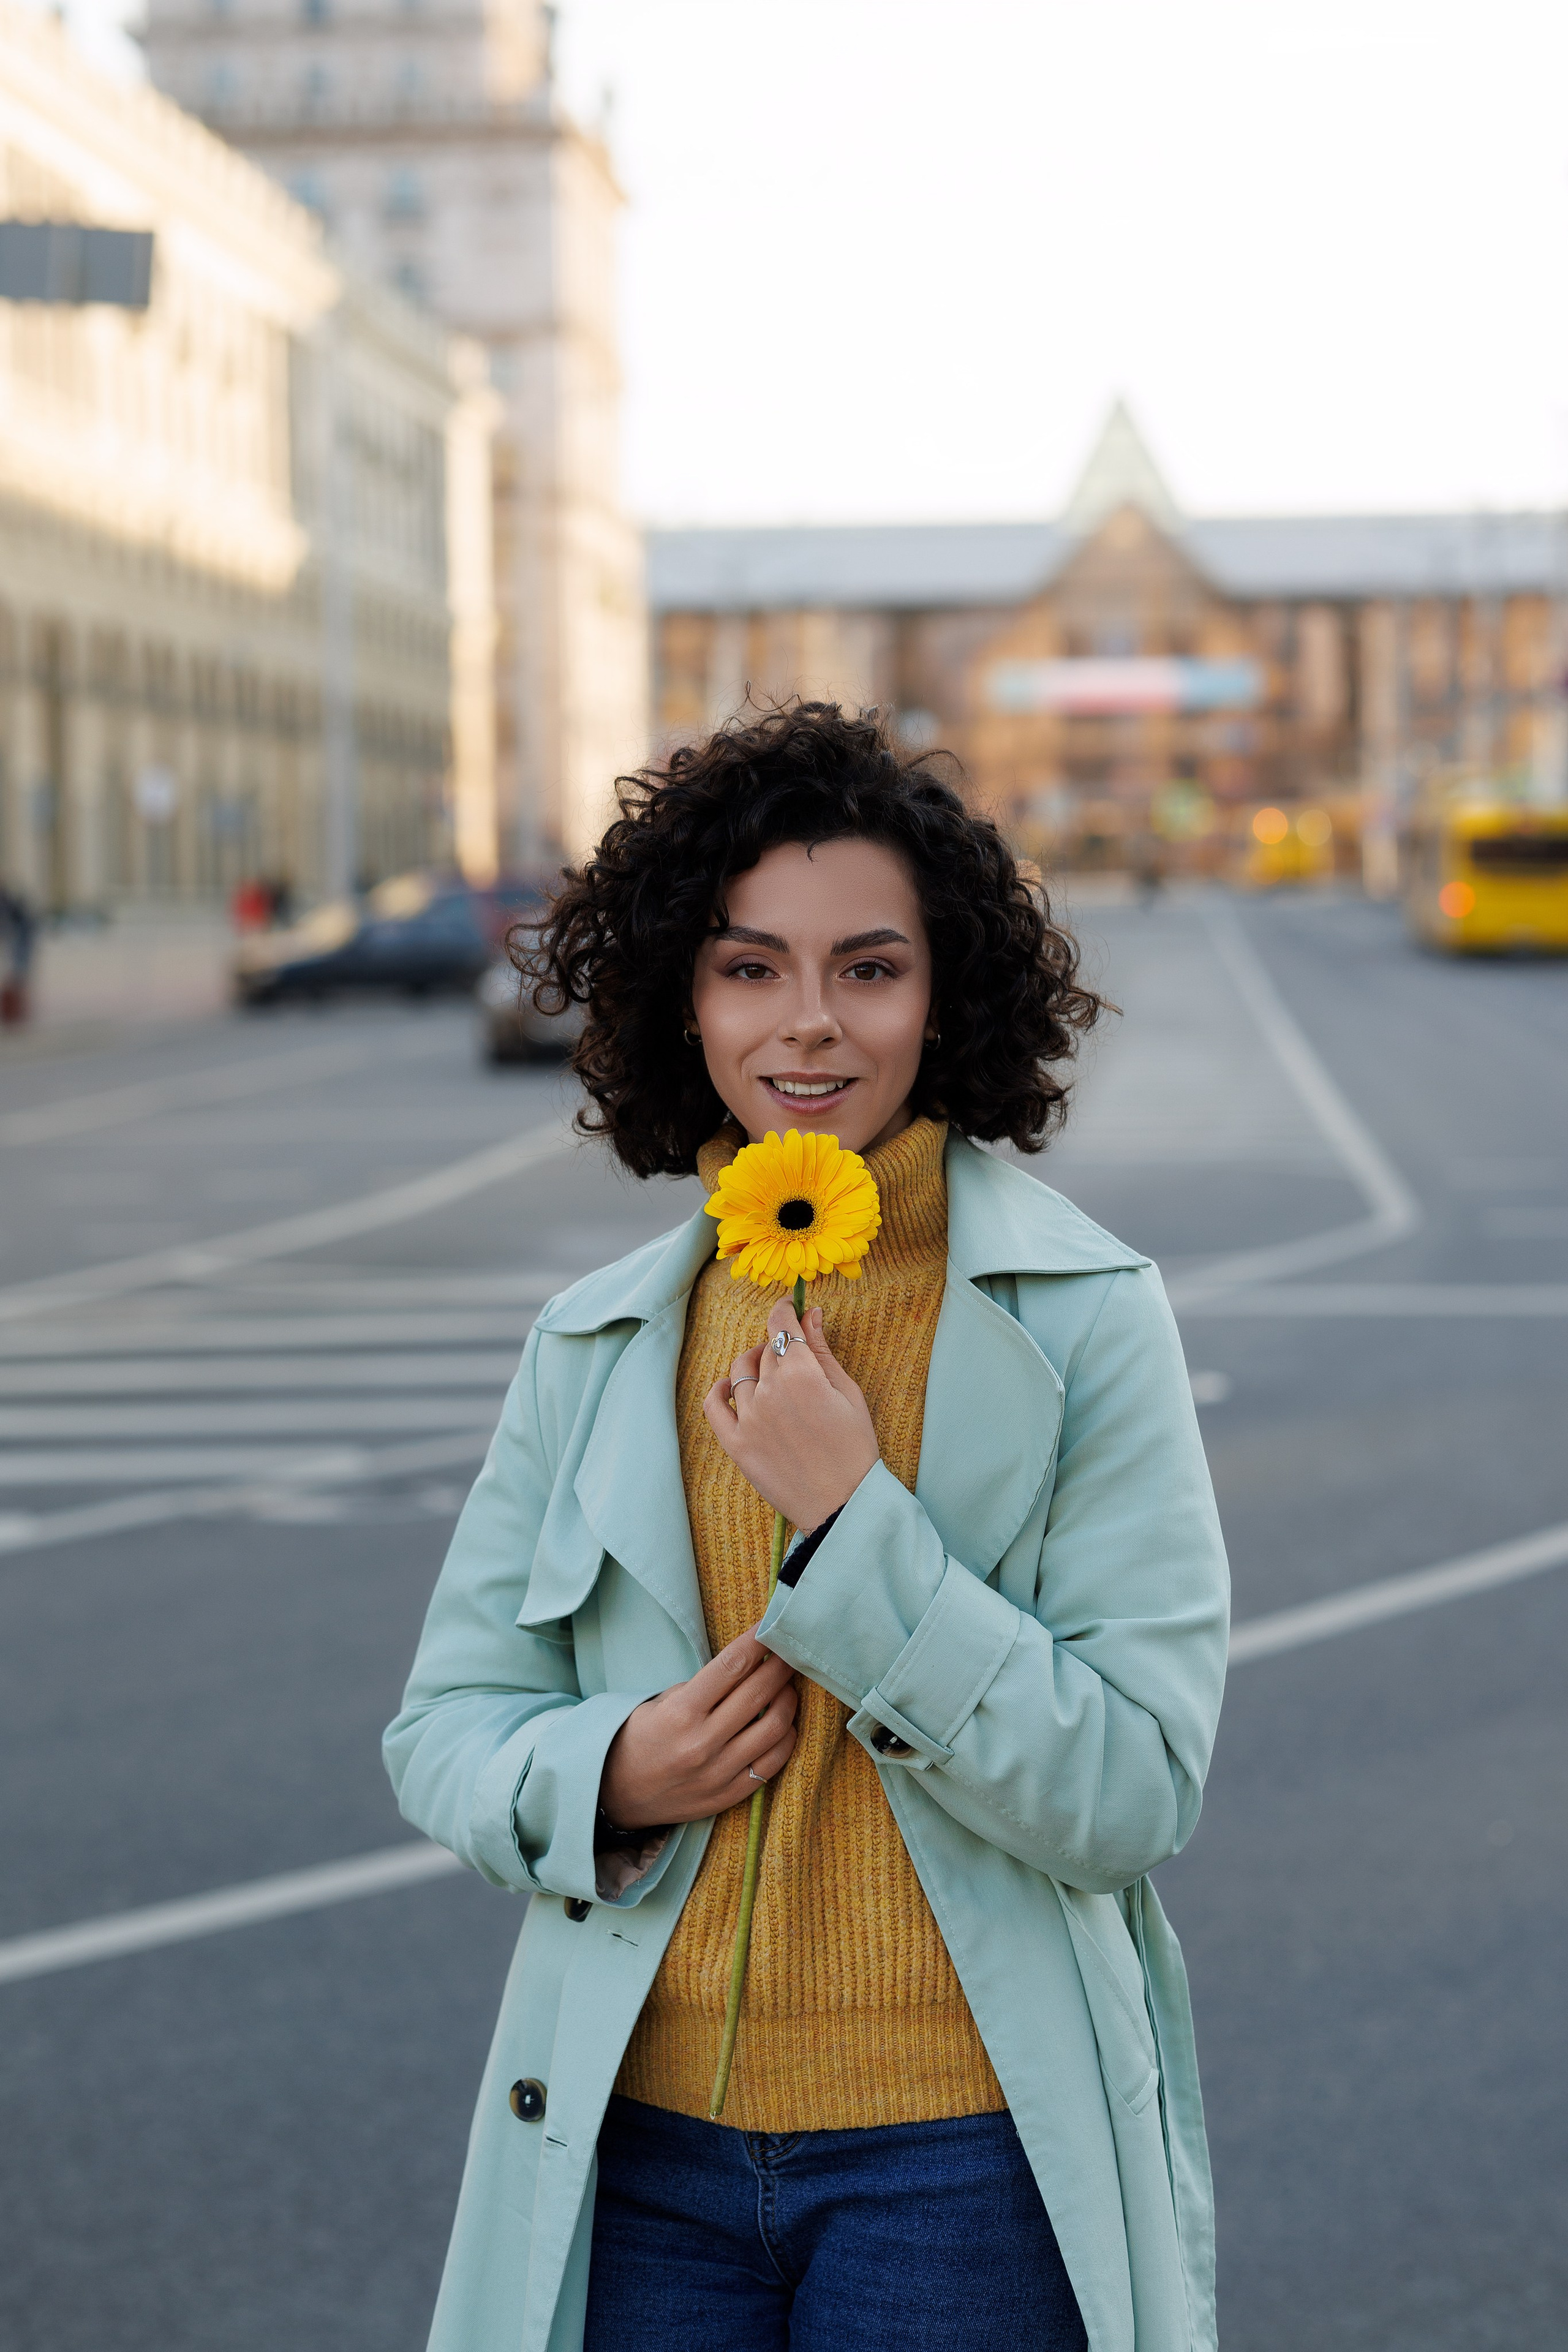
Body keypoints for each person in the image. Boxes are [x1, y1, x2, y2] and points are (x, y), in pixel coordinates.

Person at [384, 703, 1229, 2352]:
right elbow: (447, 1729)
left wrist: (854, 1527)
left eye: (870, 968)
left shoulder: (1083, 1317)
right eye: (750, 968)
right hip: (641, 2161)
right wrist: (612, 1777)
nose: (809, 1027)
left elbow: (1138, 1787)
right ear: (679, 998)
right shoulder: (597, 1342)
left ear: (947, 993)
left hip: (964, 2157)